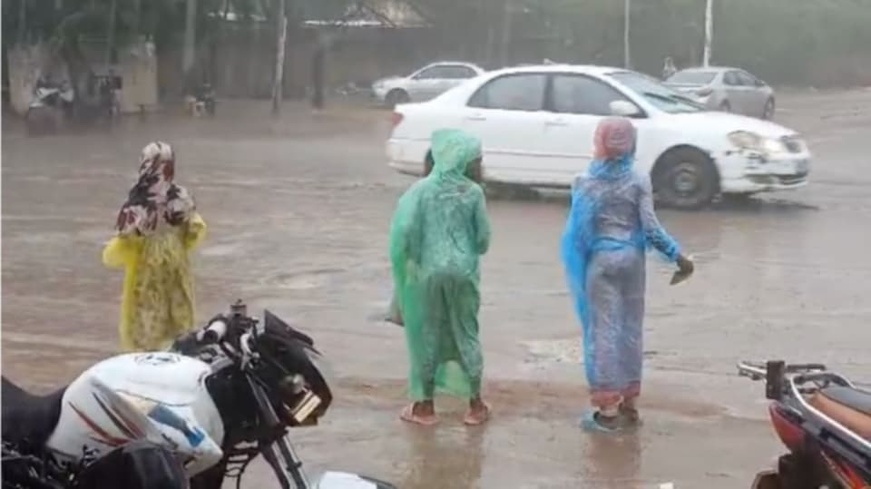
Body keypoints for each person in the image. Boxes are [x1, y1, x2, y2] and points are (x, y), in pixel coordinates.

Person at [561, 117, 693, 433]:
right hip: (633, 261)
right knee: (631, 329)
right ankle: (631, 403)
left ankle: (608, 411)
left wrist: (581, 264)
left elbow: (579, 234)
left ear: (600, 141)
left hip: (602, 262)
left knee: (604, 331)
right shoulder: (639, 180)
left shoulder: (584, 182)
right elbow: (650, 227)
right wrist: (677, 255)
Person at [389, 129, 491, 426]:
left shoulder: (420, 191)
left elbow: (404, 231)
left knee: (427, 335)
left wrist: (412, 262)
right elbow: (483, 240)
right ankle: (475, 407)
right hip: (463, 273)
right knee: (466, 333)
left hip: (428, 274)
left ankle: (424, 408)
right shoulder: (474, 193)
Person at [103, 142, 207, 352]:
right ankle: (181, 355)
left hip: (148, 267)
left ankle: (147, 363)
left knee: (147, 318)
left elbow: (124, 239)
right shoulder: (181, 197)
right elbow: (193, 229)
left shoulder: (138, 203)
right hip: (177, 262)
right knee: (179, 312)